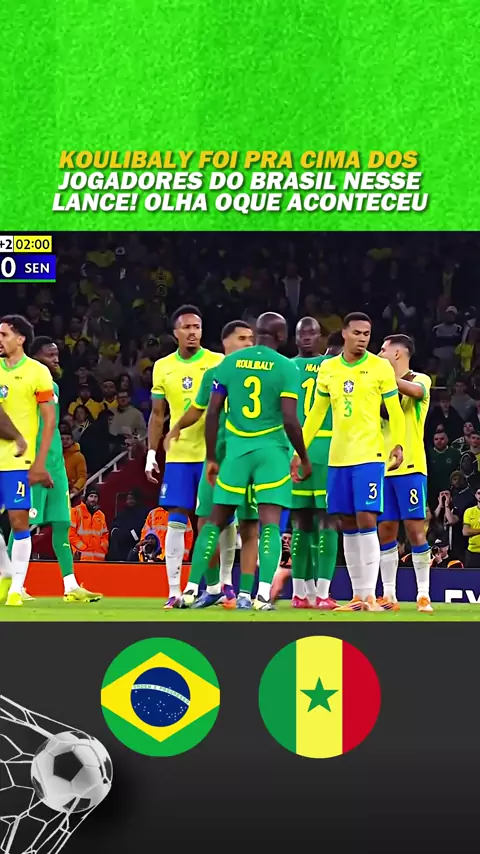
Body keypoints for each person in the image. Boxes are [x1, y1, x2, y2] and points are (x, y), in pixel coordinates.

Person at [181, 312, 311, 611]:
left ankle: (189, 590)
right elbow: (290, 419)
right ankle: (262, 596)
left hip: (236, 453)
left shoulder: (228, 364)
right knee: (269, 525)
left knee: (213, 521)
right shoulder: (287, 367)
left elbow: (212, 413)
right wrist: (302, 457)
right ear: (281, 336)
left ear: (256, 332)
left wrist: (212, 457)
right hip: (271, 454)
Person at [292, 312, 405, 612]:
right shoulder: (329, 368)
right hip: (338, 458)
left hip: (369, 455)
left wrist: (398, 443)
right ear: (344, 333)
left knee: (367, 518)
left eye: (367, 334)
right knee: (346, 522)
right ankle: (357, 596)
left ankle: (370, 595)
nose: (363, 338)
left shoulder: (379, 367)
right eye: (357, 333)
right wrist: (300, 451)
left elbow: (394, 410)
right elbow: (316, 413)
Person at [164, 319, 258, 610]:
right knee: (207, 521)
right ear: (226, 342)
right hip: (216, 457)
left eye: (251, 339)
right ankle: (213, 586)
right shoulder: (214, 374)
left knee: (248, 524)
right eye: (242, 338)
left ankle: (246, 591)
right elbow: (198, 409)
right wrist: (176, 428)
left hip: (251, 457)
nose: (249, 344)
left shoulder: (260, 373)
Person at [7, 337, 101, 603]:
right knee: (23, 523)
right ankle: (13, 585)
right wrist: (36, 464)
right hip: (33, 464)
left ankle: (70, 586)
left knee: (62, 523)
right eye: (50, 355)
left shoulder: (54, 387)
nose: (56, 360)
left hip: (56, 465)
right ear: (35, 357)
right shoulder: (26, 385)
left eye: (57, 355)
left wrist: (54, 464)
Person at [145, 305, 223, 603]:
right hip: (178, 456)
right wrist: (151, 453)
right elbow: (157, 414)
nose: (192, 332)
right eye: (187, 327)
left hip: (210, 455)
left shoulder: (217, 362)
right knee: (176, 520)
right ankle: (173, 591)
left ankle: (217, 587)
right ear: (175, 332)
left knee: (212, 522)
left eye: (197, 327)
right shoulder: (163, 367)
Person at [278, 321, 342, 610]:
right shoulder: (326, 365)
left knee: (324, 520)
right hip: (302, 448)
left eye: (311, 333)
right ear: (294, 337)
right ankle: (302, 593)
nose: (306, 337)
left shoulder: (323, 364)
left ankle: (319, 592)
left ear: (321, 337)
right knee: (303, 522)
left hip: (322, 450)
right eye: (301, 333)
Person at [0, 315, 56, 608]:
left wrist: (40, 462)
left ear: (20, 339)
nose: (0, 339)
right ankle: (6, 572)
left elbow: (49, 421)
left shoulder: (37, 372)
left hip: (18, 461)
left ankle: (16, 588)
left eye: (4, 334)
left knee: (18, 521)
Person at [377, 334, 433, 613]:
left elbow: (417, 393)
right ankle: (389, 594)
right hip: (382, 468)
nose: (379, 354)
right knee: (385, 530)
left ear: (398, 353)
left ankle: (423, 594)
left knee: (414, 530)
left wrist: (384, 378)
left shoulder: (420, 379)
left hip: (411, 467)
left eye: (383, 350)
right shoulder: (379, 388)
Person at [69, 486, 109, 561]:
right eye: (91, 496)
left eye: (95, 497)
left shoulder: (101, 515)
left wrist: (103, 547)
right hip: (82, 558)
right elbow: (71, 534)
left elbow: (105, 535)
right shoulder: (76, 511)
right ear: (86, 497)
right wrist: (82, 548)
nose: (93, 499)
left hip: (99, 558)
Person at [108, 490, 148, 561]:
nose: (130, 501)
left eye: (132, 499)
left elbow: (140, 530)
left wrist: (130, 534)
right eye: (128, 499)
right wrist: (116, 533)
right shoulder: (122, 513)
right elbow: (114, 528)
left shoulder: (143, 513)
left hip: (134, 548)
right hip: (118, 550)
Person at [61, 425, 88, 498]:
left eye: (67, 438)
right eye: (62, 439)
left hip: (72, 492)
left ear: (72, 440)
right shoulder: (56, 455)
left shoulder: (79, 456)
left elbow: (82, 476)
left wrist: (76, 487)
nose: (65, 441)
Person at [462, 486, 480, 567]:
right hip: (472, 552)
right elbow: (465, 532)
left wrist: (473, 530)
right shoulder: (469, 511)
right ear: (475, 495)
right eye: (479, 493)